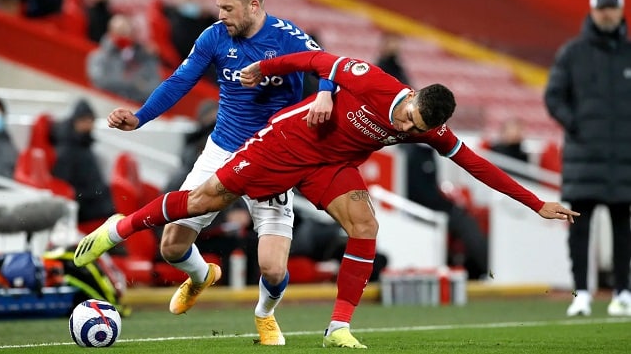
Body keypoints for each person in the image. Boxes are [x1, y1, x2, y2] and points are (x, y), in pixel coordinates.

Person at [75, 50, 579, 348]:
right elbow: (319, 60)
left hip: (330, 167)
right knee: (204, 199)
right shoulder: (376, 82)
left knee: (365, 227)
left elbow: (475, 163)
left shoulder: (429, 128)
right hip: (287, 143)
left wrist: (537, 205)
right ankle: (118, 227)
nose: (406, 130)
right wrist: (274, 73)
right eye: (408, 121)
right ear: (412, 97)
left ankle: (338, 328)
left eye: (418, 129)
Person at [81, 0, 331, 346]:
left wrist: (325, 94)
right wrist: (140, 117)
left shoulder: (286, 37)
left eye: (227, 8)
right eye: (218, 7)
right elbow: (179, 82)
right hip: (222, 150)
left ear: (253, 5)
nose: (220, 15)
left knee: (273, 268)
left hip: (272, 158)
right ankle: (201, 276)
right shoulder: (214, 37)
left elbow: (330, 66)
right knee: (171, 247)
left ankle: (264, 314)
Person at [544, 0, 631, 317]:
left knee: (623, 230)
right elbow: (554, 97)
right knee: (579, 229)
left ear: (621, 11)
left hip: (623, 160)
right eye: (602, 8)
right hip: (584, 158)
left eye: (612, 7)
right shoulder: (572, 53)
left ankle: (623, 292)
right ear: (592, 11)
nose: (607, 13)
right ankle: (581, 294)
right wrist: (577, 125)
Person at [402, 143, 488, 279]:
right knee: (465, 222)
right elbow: (420, 194)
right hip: (424, 212)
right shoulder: (414, 155)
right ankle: (488, 269)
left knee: (466, 219)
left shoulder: (426, 153)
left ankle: (477, 269)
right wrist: (450, 206)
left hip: (435, 210)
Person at [51, 99, 116, 227]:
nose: (89, 124)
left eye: (91, 120)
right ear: (76, 121)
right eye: (85, 120)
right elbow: (64, 185)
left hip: (96, 200)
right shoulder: (67, 151)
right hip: (85, 207)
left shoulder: (84, 144)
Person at [86, 14, 162, 103]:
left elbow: (154, 90)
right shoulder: (97, 57)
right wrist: (135, 84)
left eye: (125, 32)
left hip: (132, 110)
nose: (122, 36)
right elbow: (101, 81)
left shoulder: (145, 58)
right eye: (119, 31)